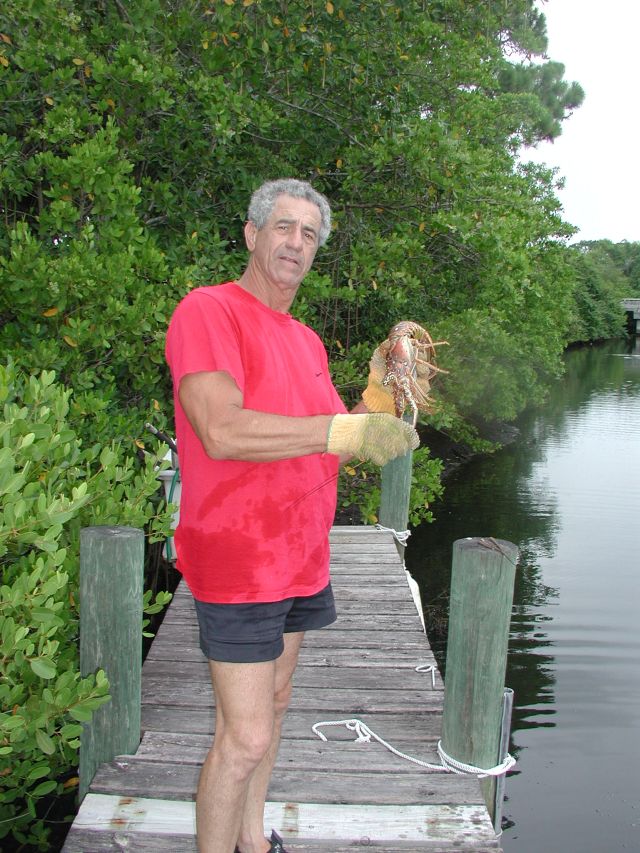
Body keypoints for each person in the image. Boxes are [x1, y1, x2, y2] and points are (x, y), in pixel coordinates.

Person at [165, 178, 419, 853]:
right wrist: (337, 432)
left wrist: (380, 397)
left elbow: (329, 443)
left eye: (309, 234)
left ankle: (254, 840)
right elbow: (221, 429)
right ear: (252, 234)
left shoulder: (305, 341)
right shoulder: (209, 311)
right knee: (242, 735)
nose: (296, 242)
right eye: (283, 226)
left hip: (301, 554)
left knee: (275, 708)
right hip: (237, 559)